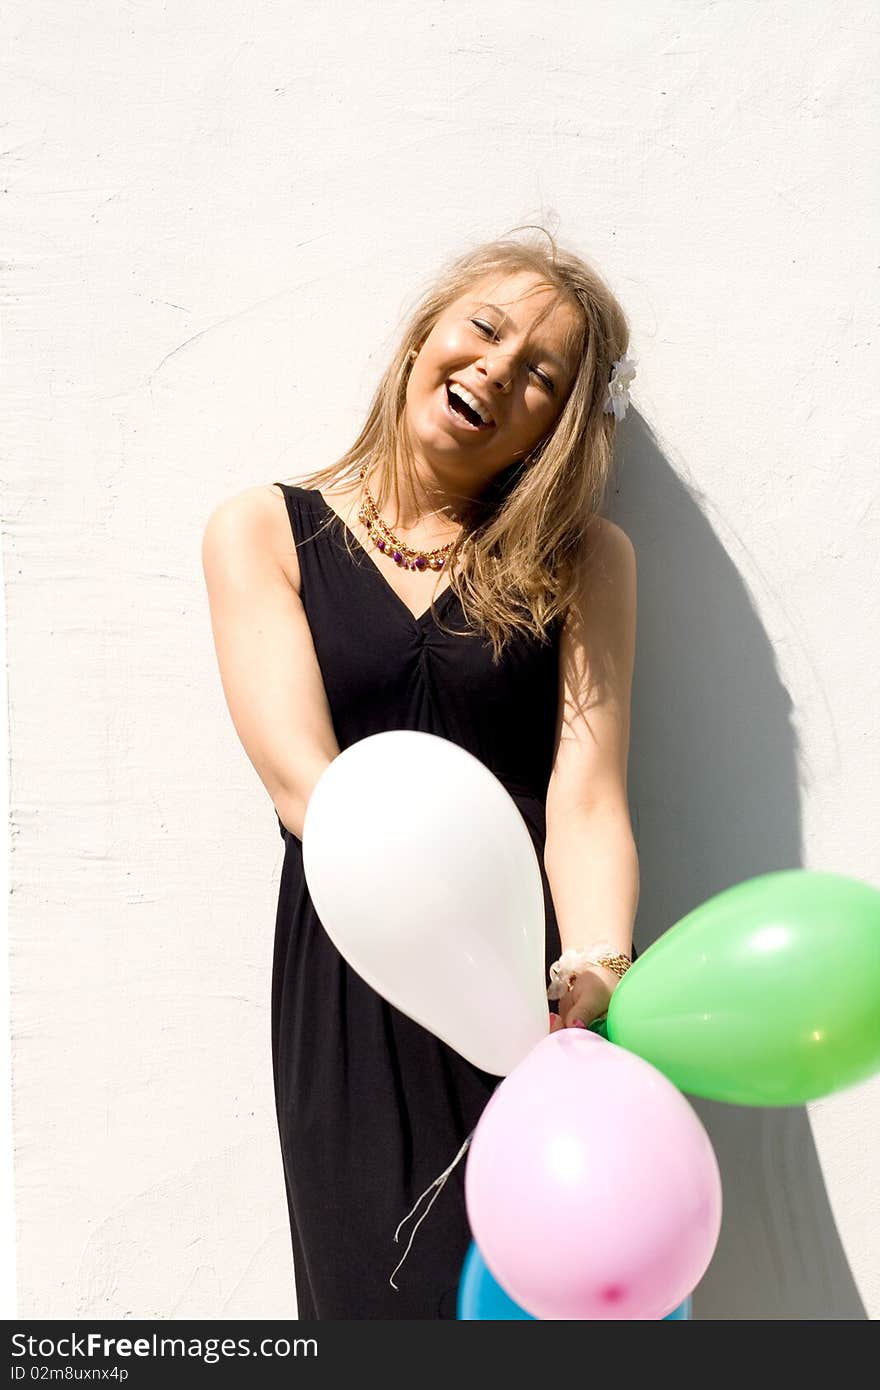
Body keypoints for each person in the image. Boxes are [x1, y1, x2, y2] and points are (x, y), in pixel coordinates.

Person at [201, 229, 640, 1319]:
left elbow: (583, 794)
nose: (497, 368)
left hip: (533, 1002)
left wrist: (600, 969)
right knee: (373, 1298)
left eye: (541, 373)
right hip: (356, 983)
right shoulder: (262, 528)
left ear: (556, 425)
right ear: (423, 338)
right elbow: (305, 787)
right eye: (484, 329)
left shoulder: (583, 559)